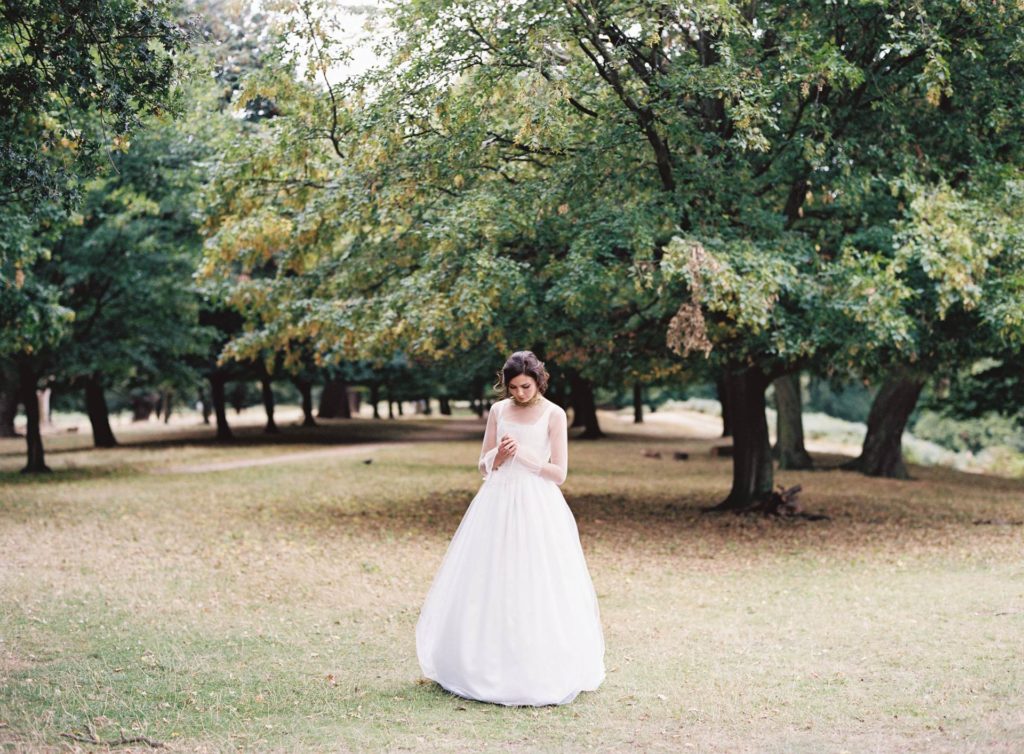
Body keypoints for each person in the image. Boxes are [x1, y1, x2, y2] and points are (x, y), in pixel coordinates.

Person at [415, 351, 605, 706]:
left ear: (539, 381)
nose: (519, 393)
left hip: (537, 504)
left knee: (534, 578)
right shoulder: (498, 411)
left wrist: (523, 457)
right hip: (497, 501)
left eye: (526, 386)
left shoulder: (554, 414)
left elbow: (559, 474)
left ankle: (536, 663)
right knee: (489, 576)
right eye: (514, 387)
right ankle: (480, 662)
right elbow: (484, 464)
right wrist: (499, 457)